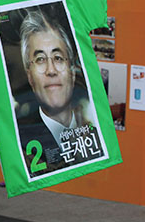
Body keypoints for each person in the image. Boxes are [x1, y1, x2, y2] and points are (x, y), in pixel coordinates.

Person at [18, 10, 98, 175]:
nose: (51, 70)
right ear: (30, 77)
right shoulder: (22, 141)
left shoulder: (96, 129)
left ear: (72, 71)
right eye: (40, 59)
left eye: (58, 58)